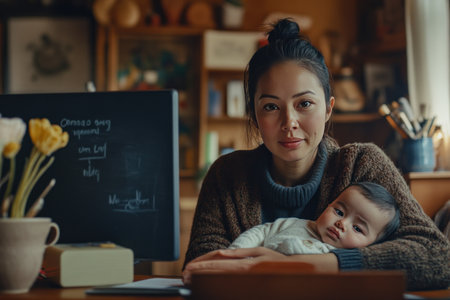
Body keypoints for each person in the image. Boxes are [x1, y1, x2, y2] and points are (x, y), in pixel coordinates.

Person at [183, 19, 449, 290]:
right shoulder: (227, 174)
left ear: (328, 108)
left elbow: (438, 257)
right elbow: (200, 267)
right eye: (271, 107)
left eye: (305, 104)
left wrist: (308, 266)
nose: (289, 122)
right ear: (254, 115)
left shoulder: (363, 164)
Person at [229, 182, 400, 255]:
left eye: (357, 228)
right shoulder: (294, 223)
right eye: (339, 212)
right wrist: (236, 252)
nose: (342, 223)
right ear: (328, 205)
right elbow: (260, 232)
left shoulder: (335, 256)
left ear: (370, 245)